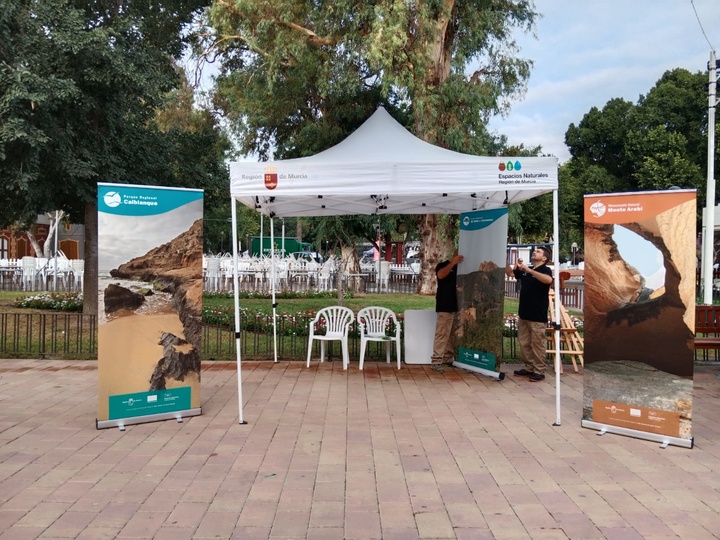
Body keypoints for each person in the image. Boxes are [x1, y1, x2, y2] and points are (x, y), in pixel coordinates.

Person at [506, 246, 553, 382]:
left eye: (538, 251)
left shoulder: (545, 270)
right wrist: (515, 264)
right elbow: (512, 274)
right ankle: (528, 368)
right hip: (524, 314)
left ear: (544, 258)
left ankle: (539, 370)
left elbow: (548, 280)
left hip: (537, 315)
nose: (534, 252)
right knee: (524, 343)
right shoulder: (526, 271)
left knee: (537, 344)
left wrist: (529, 270)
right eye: (535, 250)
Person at [431, 249, 464, 371]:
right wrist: (452, 263)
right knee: (442, 333)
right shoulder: (444, 265)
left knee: (452, 335)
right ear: (454, 254)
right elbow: (440, 275)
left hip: (460, 308)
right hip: (445, 306)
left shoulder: (463, 269)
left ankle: (448, 358)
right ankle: (436, 360)